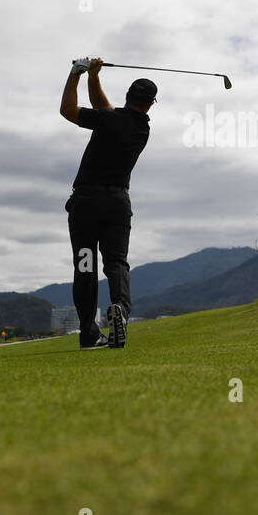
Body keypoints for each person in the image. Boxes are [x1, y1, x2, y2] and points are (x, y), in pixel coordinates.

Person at [60, 57, 156, 350]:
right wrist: (94, 76)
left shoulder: (109, 119)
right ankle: (121, 311)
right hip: (116, 203)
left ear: (127, 96)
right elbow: (105, 108)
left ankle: (89, 335)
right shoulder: (141, 129)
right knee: (116, 263)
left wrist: (76, 74)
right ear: (151, 104)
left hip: (86, 202)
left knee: (86, 267)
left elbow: (67, 110)